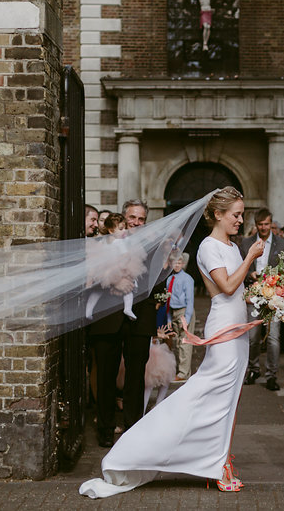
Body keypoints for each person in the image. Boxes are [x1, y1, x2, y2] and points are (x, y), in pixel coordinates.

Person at [80, 187, 264, 498]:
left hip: (238, 328)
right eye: (236, 214)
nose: (241, 219)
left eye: (242, 214)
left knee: (225, 401)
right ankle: (139, 446)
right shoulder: (209, 247)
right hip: (224, 330)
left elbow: (240, 288)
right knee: (200, 394)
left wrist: (267, 293)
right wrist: (250, 258)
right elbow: (228, 287)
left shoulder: (232, 247)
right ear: (218, 214)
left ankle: (216, 461)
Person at [88, 200, 160, 448]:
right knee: (106, 375)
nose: (136, 223)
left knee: (136, 376)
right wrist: (114, 282)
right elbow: (89, 275)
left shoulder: (152, 245)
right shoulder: (103, 243)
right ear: (123, 217)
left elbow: (159, 279)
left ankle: (133, 427)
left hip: (140, 317)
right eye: (132, 217)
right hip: (108, 315)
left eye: (141, 219)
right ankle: (105, 428)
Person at [241, 208, 284, 392]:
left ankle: (272, 375)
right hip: (253, 294)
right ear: (256, 225)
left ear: (271, 224)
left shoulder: (282, 244)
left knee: (273, 338)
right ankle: (253, 369)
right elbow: (239, 267)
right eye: (260, 224)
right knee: (253, 337)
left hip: (274, 296)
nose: (263, 227)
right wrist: (249, 273)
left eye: (266, 224)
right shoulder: (246, 243)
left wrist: (277, 280)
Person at [168, 0, 237, 51]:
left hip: (208, 12)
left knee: (208, 27)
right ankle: (204, 43)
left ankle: (206, 43)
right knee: (205, 26)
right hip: (203, 12)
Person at [166, 253, 196, 381]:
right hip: (173, 312)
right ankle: (181, 370)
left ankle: (183, 373)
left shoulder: (187, 279)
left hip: (184, 311)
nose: (177, 265)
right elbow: (167, 299)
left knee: (185, 343)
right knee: (178, 343)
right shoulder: (169, 279)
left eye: (179, 263)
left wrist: (187, 319)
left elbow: (190, 300)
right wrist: (168, 318)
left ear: (182, 264)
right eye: (174, 263)